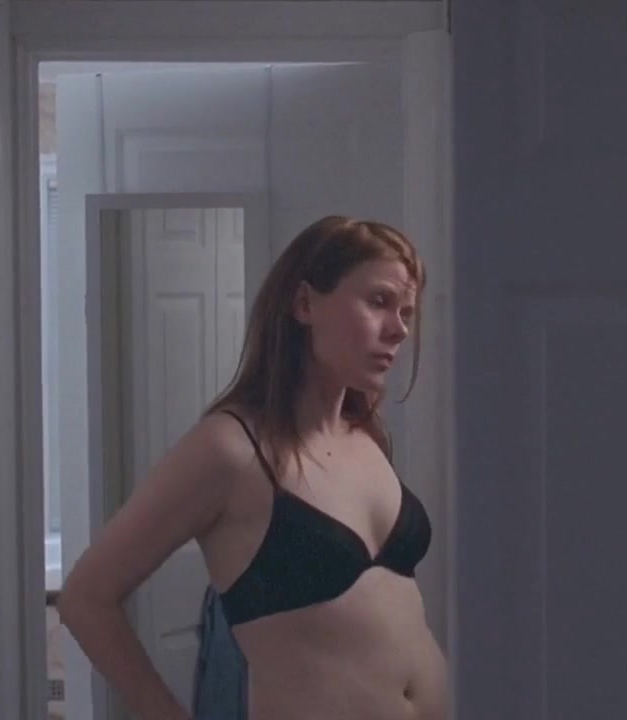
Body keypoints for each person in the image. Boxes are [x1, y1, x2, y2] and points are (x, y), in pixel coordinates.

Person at [56, 215, 448, 720]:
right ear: (304, 304)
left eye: (406, 312)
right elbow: (85, 598)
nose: (399, 329)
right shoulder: (229, 449)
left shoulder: (366, 434)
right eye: (378, 301)